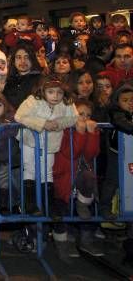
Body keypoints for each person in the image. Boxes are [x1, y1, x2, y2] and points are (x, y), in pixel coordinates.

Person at [14, 75, 77, 215]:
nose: (56, 96)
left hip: (51, 142)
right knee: (29, 168)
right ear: (43, 91)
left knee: (47, 171)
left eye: (59, 92)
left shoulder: (66, 103)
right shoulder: (33, 100)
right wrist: (43, 123)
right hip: (29, 140)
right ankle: (30, 204)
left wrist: (58, 124)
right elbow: (19, 116)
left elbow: (74, 117)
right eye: (51, 92)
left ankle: (48, 204)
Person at [52, 100, 103, 258]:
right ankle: (63, 244)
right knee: (62, 211)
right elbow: (70, 152)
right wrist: (80, 133)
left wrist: (92, 134)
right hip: (64, 176)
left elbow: (91, 154)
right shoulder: (64, 129)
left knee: (86, 208)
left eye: (88, 115)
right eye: (81, 114)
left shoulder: (90, 129)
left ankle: (86, 241)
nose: (85, 118)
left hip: (81, 176)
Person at [101, 82, 133, 219]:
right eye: (125, 100)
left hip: (131, 154)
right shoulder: (116, 112)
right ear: (117, 101)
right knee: (112, 181)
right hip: (117, 153)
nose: (130, 103)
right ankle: (105, 207)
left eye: (132, 100)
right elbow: (122, 124)